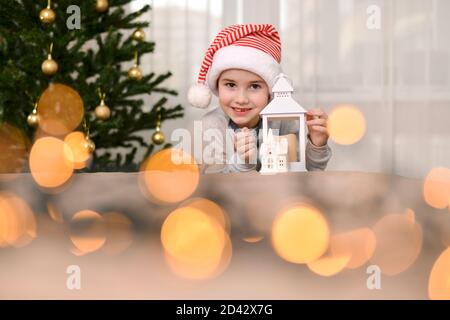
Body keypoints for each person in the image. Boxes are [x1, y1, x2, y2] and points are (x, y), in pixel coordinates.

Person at [187, 24, 332, 174]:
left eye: (254, 86)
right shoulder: (209, 127)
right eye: (230, 84)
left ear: (270, 92)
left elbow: (305, 176)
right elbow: (215, 188)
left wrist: (317, 144)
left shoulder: (284, 122)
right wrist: (243, 162)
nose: (241, 99)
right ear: (217, 86)